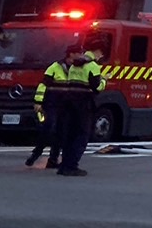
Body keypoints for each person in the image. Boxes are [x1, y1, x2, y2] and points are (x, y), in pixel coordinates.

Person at [46, 43, 107, 177]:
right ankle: (72, 166)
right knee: (81, 136)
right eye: (101, 54)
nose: (101, 56)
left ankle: (64, 166)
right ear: (96, 51)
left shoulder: (74, 65)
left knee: (69, 135)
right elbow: (97, 87)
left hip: (69, 102)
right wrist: (104, 80)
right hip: (84, 104)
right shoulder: (92, 66)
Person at [24, 63, 63, 169]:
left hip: (65, 106)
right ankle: (36, 154)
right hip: (52, 104)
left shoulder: (75, 68)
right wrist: (38, 101)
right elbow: (43, 85)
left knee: (60, 132)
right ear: (71, 55)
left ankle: (53, 160)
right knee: (49, 129)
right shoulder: (55, 67)